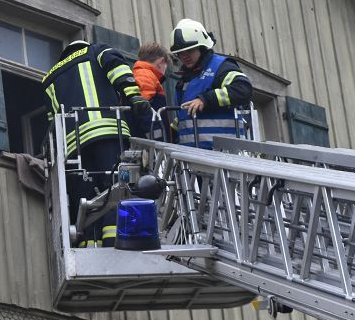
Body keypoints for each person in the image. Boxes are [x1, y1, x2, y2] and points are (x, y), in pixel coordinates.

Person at [43, 39, 148, 246]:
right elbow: (117, 69)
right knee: (118, 187)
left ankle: (91, 243)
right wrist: (133, 95)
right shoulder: (96, 51)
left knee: (87, 198)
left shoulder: (50, 77)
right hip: (107, 132)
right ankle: (115, 240)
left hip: (73, 148)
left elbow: (52, 121)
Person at [169, 19, 252, 149]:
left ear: (202, 47)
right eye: (180, 53)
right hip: (190, 158)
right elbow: (184, 116)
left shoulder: (221, 67)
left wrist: (206, 99)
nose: (184, 56)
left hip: (225, 156)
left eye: (189, 50)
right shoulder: (185, 80)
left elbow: (243, 89)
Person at [131, 42, 171, 140]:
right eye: (166, 65)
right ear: (161, 61)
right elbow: (143, 109)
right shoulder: (145, 75)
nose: (165, 70)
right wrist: (158, 139)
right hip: (151, 143)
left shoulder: (143, 74)